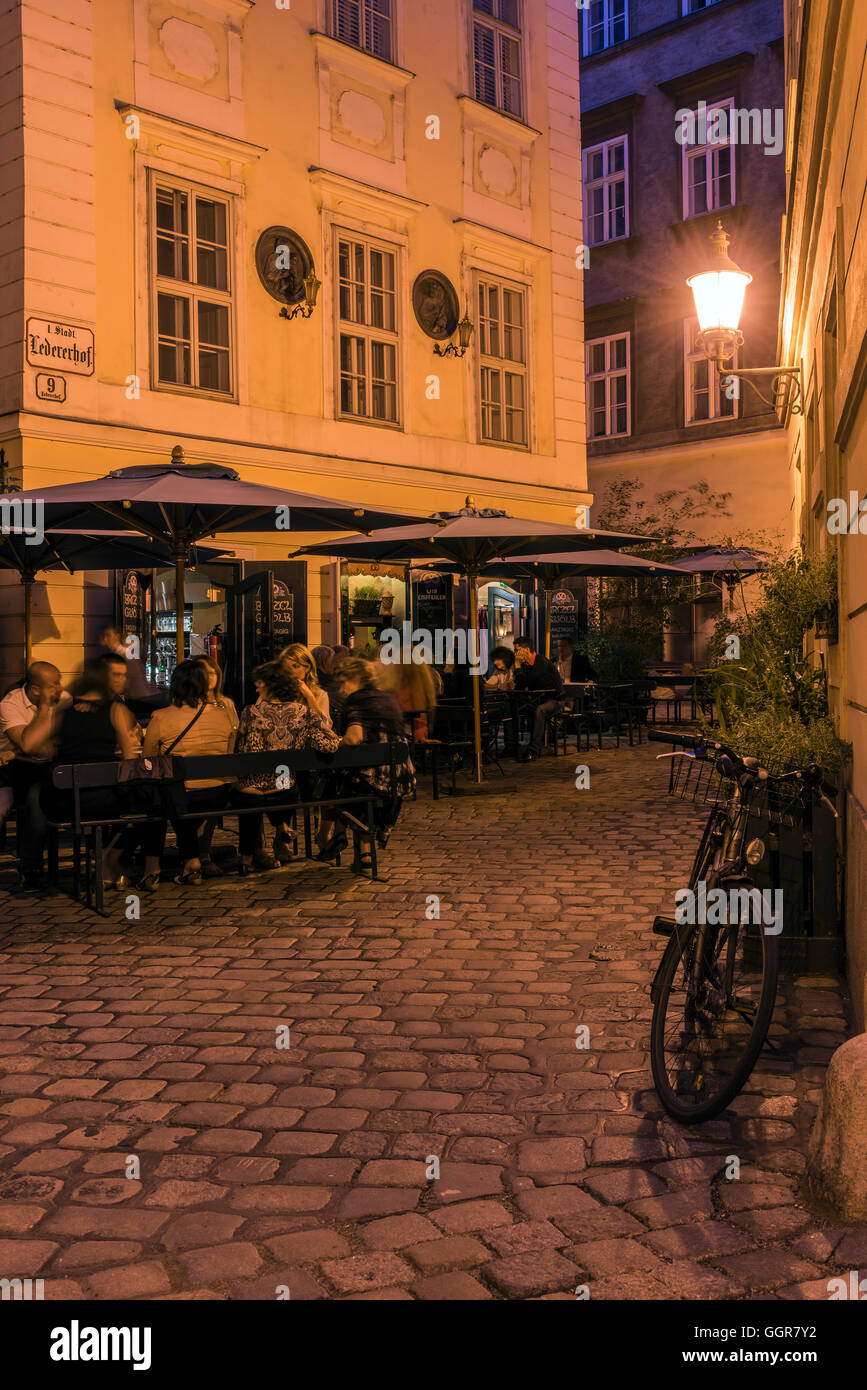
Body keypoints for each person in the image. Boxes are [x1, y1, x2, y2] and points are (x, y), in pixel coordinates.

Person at [39, 655, 141, 889]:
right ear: (103, 678)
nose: (122, 680)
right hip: (101, 801)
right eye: (117, 675)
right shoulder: (116, 709)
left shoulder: (66, 708)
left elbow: (42, 746)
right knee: (146, 806)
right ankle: (109, 863)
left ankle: (107, 865)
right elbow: (130, 761)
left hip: (64, 802)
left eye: (124, 674)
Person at [233, 661, 340, 876]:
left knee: (249, 790)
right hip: (283, 790)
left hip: (250, 790)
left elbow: (241, 750)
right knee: (284, 777)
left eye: (260, 684)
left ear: (272, 685)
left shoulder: (250, 712)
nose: (257, 688)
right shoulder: (303, 713)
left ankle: (246, 857)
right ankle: (282, 828)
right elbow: (330, 743)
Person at [139, 660, 236, 889]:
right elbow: (228, 754)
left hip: (183, 795)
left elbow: (149, 760)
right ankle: (192, 862)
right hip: (218, 793)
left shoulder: (161, 717)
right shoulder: (223, 715)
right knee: (176, 796)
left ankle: (151, 869)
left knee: (160, 798)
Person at [321, 656, 414, 859]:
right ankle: (364, 854)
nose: (341, 689)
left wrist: (338, 741)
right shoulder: (388, 699)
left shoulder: (357, 702)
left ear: (357, 679)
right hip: (400, 778)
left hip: (373, 781)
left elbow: (354, 738)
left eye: (344, 682)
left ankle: (334, 834)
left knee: (335, 778)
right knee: (356, 775)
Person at [0, 662, 71, 890]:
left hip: (47, 768)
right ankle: (30, 868)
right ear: (35, 690)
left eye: (59, 682)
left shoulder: (64, 697)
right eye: (53, 685)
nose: (59, 689)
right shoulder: (10, 705)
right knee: (35, 798)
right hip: (11, 771)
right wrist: (46, 709)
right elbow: (31, 746)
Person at [194, 655, 240, 877]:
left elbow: (235, 733)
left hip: (222, 767)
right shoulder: (189, 703)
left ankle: (254, 850)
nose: (210, 677)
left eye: (213, 672)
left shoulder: (226, 703)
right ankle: (199, 854)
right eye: (204, 672)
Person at [513, 636, 563, 761]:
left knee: (539, 710)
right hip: (537, 700)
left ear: (526, 650)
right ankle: (512, 745)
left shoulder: (540, 661)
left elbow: (532, 678)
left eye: (517, 650)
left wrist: (518, 666)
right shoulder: (524, 665)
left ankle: (534, 750)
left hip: (554, 700)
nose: (515, 654)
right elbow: (520, 685)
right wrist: (518, 667)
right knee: (511, 706)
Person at [98, 625, 162, 710]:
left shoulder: (125, 655)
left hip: (138, 700)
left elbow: (130, 680)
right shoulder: (120, 654)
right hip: (136, 698)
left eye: (108, 635)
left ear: (117, 636)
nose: (105, 639)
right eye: (103, 636)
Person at [378, 659, 437, 740]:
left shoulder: (409, 687)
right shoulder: (423, 683)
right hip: (415, 731)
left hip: (410, 735)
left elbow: (401, 709)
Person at [278, 643, 332, 725]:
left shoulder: (319, 694)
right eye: (286, 667)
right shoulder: (274, 691)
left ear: (307, 668)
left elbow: (325, 727)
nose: (290, 671)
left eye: (295, 666)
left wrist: (310, 697)